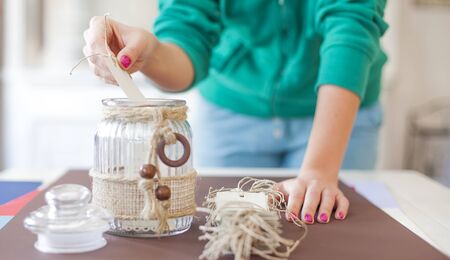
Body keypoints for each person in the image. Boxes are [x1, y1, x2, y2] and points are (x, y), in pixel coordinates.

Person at [83, 0, 388, 225]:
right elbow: (187, 37)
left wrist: (320, 170)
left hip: (336, 114)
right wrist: (150, 53)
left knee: (332, 237)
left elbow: (351, 29)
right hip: (231, 114)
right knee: (226, 229)